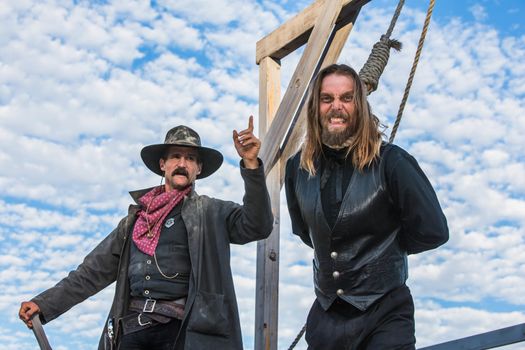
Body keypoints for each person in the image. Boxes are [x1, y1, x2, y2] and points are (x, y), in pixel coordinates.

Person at [19, 117, 273, 350]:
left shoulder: (213, 212)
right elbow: (90, 273)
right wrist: (45, 303)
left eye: (190, 158)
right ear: (163, 165)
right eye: (175, 156)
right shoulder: (134, 222)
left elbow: (257, 225)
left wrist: (251, 165)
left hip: (187, 333)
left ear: (198, 169)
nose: (182, 164)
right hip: (132, 330)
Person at [285, 64, 449, 350]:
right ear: (316, 107)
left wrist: (384, 251)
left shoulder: (392, 162)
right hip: (326, 318)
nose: (337, 107)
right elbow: (305, 232)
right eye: (327, 99)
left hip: (385, 313)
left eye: (346, 98)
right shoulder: (297, 170)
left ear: (359, 106)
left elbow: (433, 230)